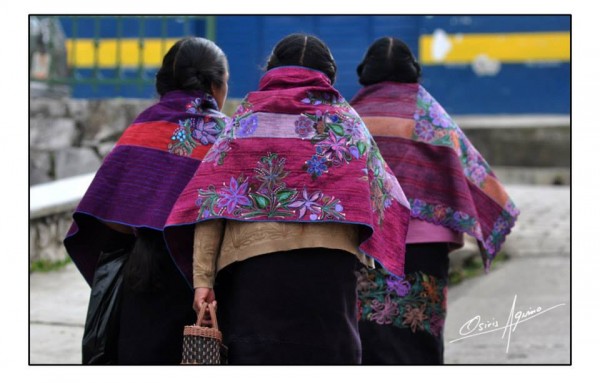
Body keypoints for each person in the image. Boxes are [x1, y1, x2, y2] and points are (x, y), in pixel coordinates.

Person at [163, 33, 411, 365]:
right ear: (329, 74)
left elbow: (210, 204)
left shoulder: (244, 122)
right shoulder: (348, 123)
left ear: (272, 69)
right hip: (329, 280)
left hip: (256, 276)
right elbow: (390, 198)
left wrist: (203, 282)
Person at [349, 37, 519, 364]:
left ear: (364, 73)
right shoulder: (430, 115)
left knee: (368, 335)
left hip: (365, 244)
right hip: (424, 248)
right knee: (419, 334)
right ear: (414, 72)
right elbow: (471, 172)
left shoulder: (351, 117)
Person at [63, 37, 231, 365]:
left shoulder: (142, 127)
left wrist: (147, 223)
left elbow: (105, 213)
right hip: (202, 287)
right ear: (214, 85)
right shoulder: (226, 135)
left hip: (142, 276)